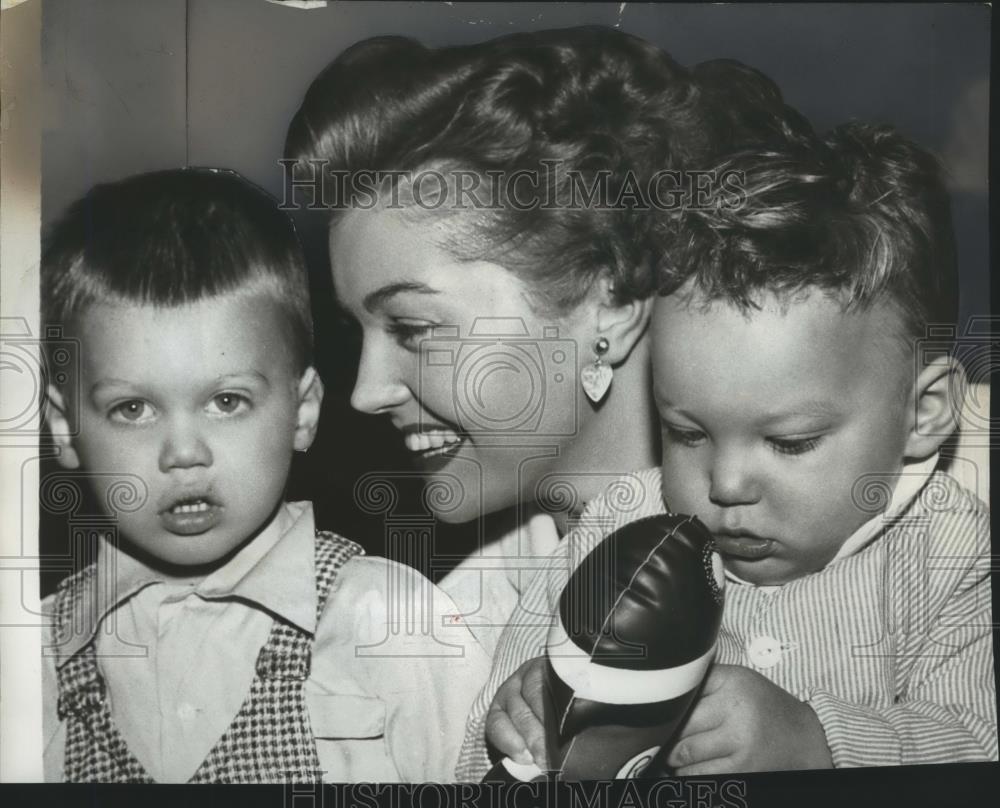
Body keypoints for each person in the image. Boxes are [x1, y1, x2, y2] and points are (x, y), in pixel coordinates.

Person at [484, 122, 997, 774]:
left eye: (790, 442)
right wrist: (520, 717)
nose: (724, 483)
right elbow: (480, 742)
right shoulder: (617, 526)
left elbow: (980, 744)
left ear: (923, 414)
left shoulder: (949, 552)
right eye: (686, 432)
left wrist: (820, 743)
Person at [284, 27, 813, 659]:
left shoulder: (896, 542)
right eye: (358, 331)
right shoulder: (451, 639)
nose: (367, 393)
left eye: (412, 327)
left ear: (609, 305)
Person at [39, 168, 490, 783]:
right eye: (133, 409)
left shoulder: (392, 623)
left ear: (302, 412)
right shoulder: (29, 657)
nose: (183, 453)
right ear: (65, 430)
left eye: (227, 402)